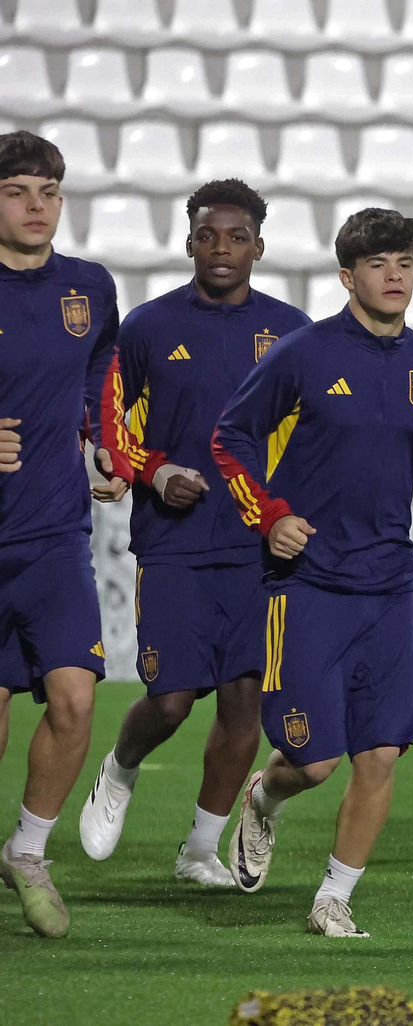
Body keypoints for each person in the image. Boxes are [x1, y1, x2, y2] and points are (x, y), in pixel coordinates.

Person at [212, 207, 413, 937]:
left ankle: (334, 897)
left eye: (405, 264)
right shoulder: (303, 354)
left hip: (389, 586)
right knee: (314, 761)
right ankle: (264, 797)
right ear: (346, 276)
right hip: (307, 584)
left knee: (381, 753)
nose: (395, 276)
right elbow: (231, 438)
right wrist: (269, 515)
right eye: (378, 264)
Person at [78, 180, 311, 886]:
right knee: (173, 699)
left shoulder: (292, 331)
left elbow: (312, 436)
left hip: (257, 547)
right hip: (174, 542)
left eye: (237, 237)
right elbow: (108, 424)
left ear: (258, 247)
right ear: (188, 243)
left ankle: (199, 851)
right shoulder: (147, 327)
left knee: (245, 702)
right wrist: (153, 473)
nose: (221, 248)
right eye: (208, 235)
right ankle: (120, 768)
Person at [0, 130, 133, 939]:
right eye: (17, 190)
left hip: (53, 533)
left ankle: (26, 850)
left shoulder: (89, 287)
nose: (36, 206)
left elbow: (99, 372)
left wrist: (106, 442)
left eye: (49, 191)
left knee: (76, 698)